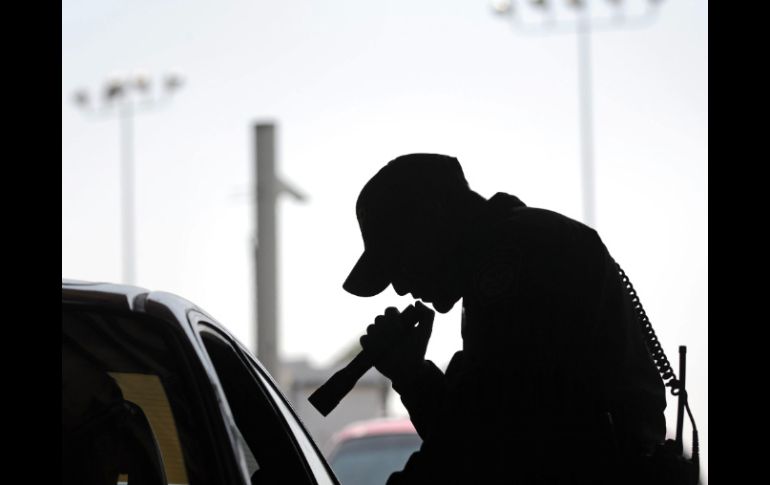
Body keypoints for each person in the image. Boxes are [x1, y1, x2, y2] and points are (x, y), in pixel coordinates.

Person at [343, 153, 667, 484]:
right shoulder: (517, 250)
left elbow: (484, 446)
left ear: (433, 221)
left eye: (400, 260)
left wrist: (414, 380)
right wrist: (411, 375)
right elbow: (480, 428)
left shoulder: (515, 260)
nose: (399, 286)